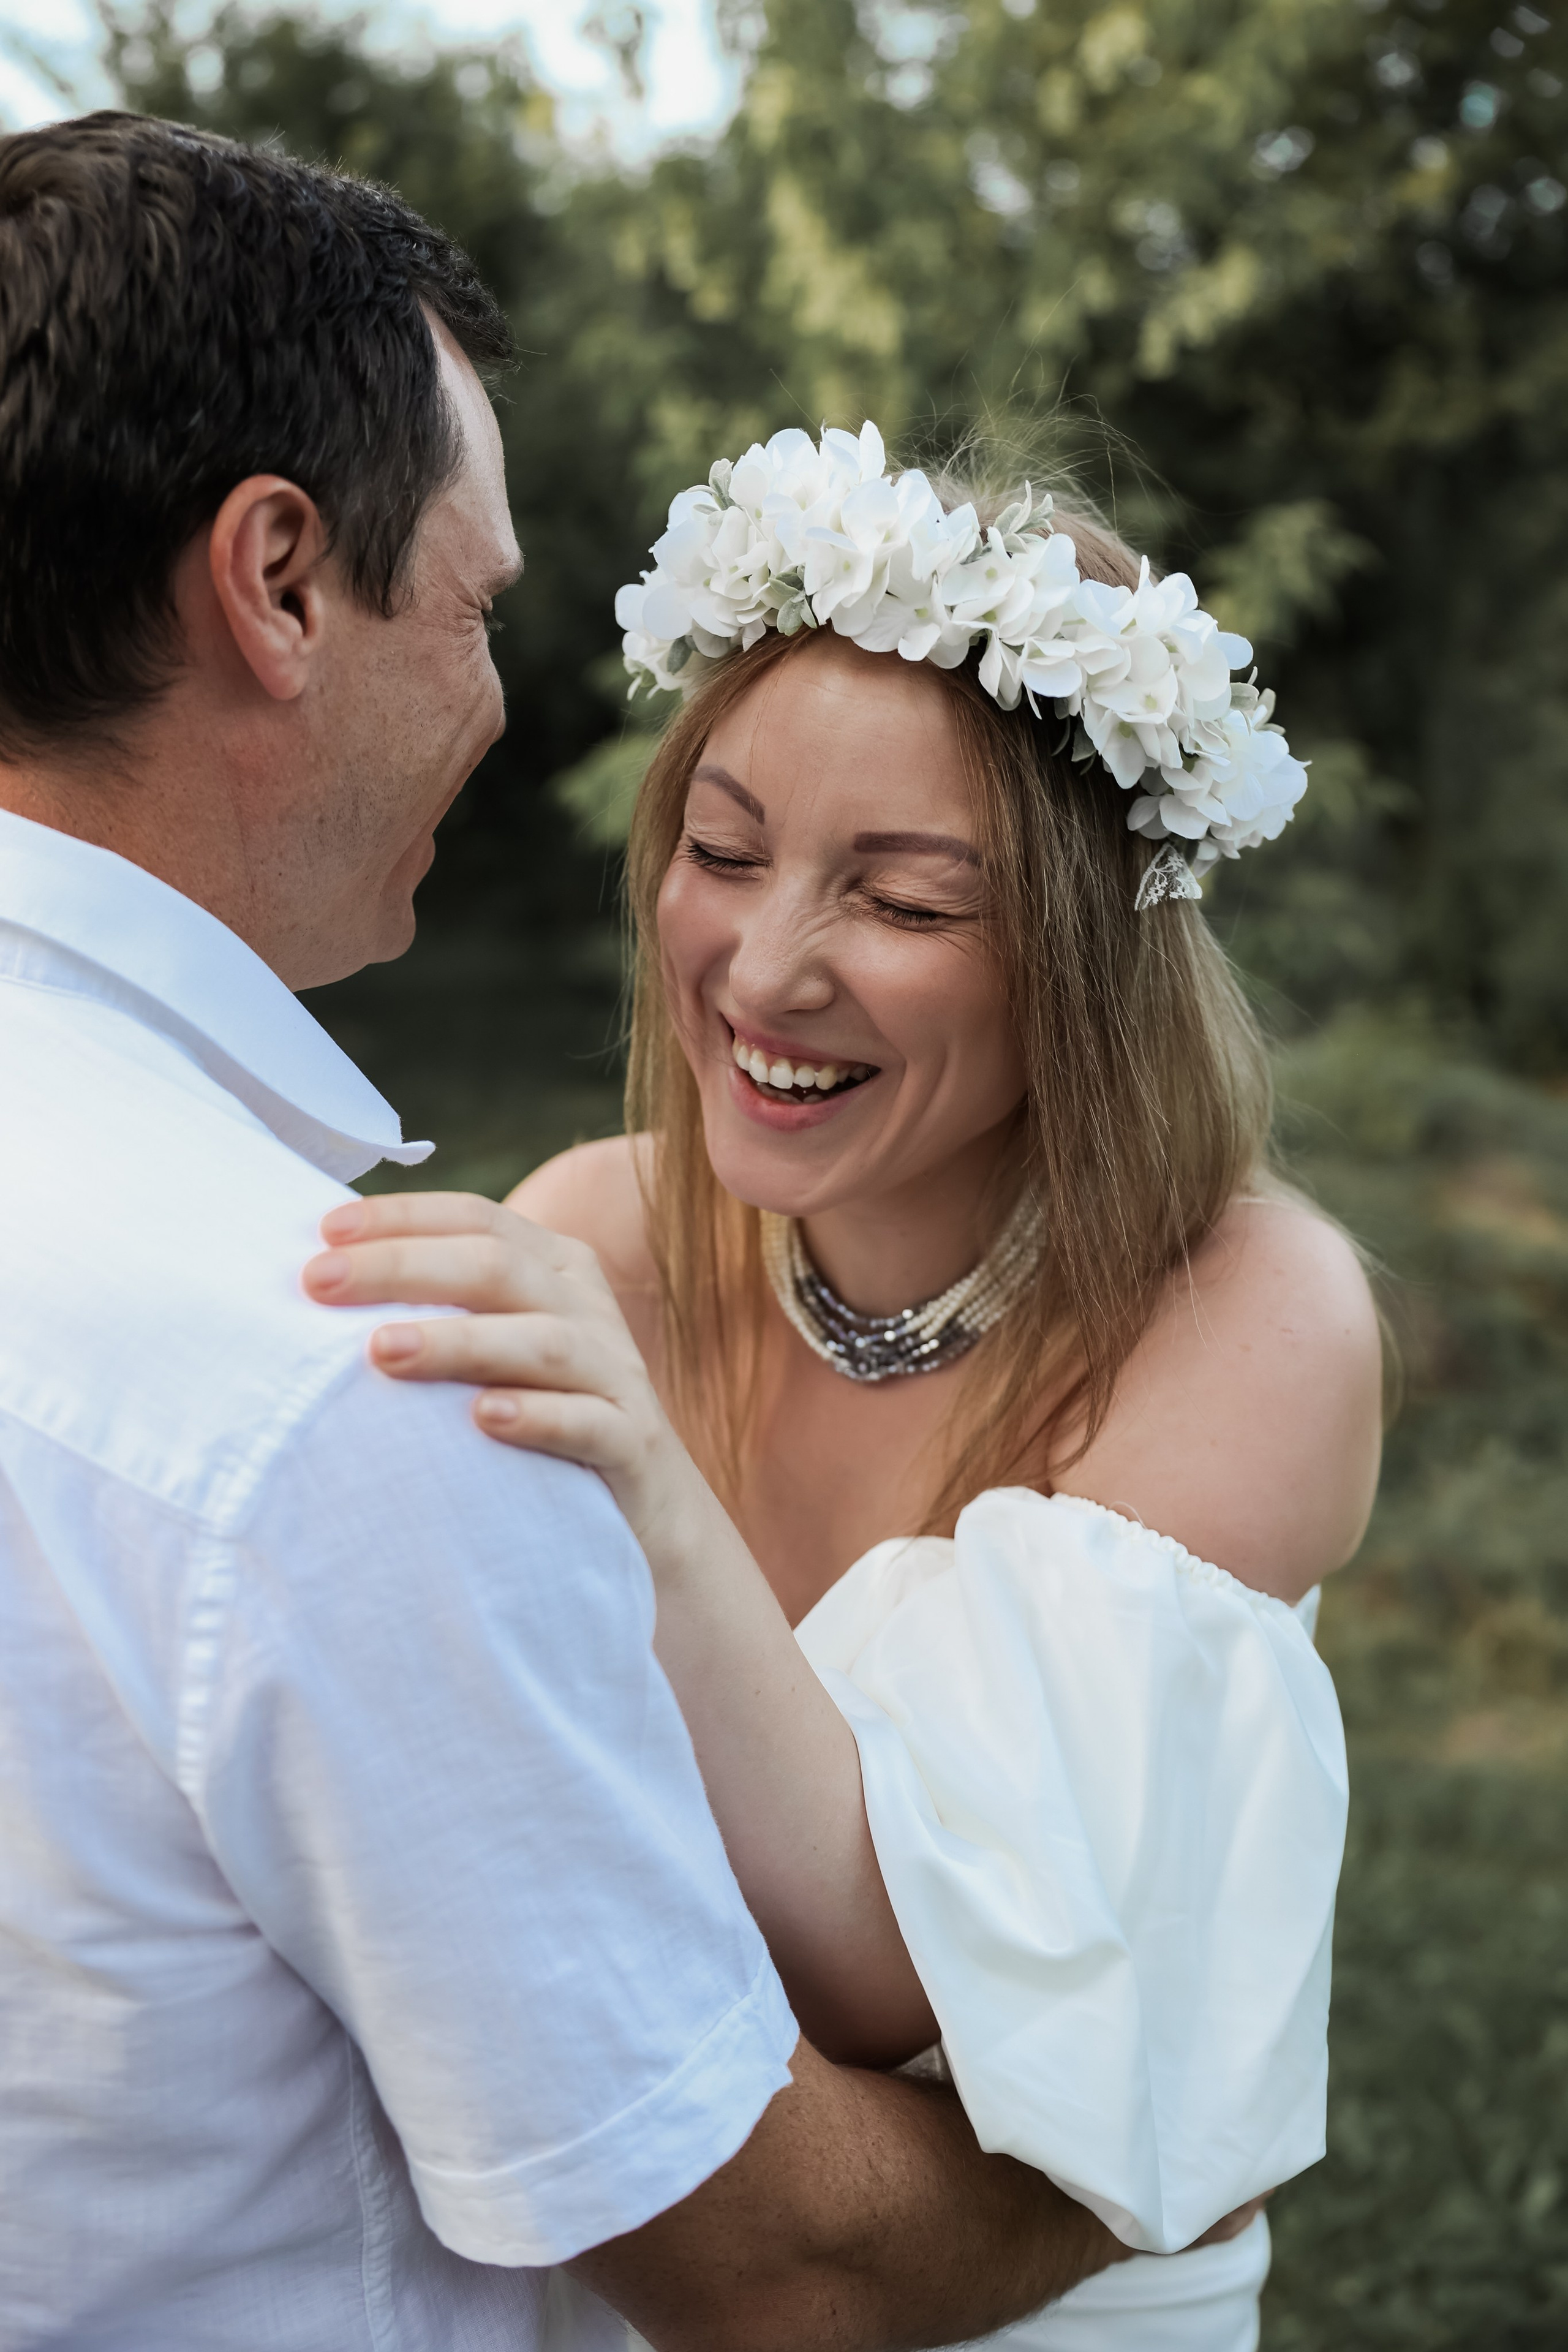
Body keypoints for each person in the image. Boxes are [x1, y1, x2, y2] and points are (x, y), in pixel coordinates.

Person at [0, 118, 1143, 2351]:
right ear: (278, 580)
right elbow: (768, 2255)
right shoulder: (356, 1379)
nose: (505, 702)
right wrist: (1141, 2146)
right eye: (483, 603)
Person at [306, 426, 1385, 2348]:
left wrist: (652, 1485)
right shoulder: (603, 1231)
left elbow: (904, 1973)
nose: (765, 967)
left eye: (901, 903)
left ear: (1077, 965)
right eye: (723, 853)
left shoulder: (1247, 1314)